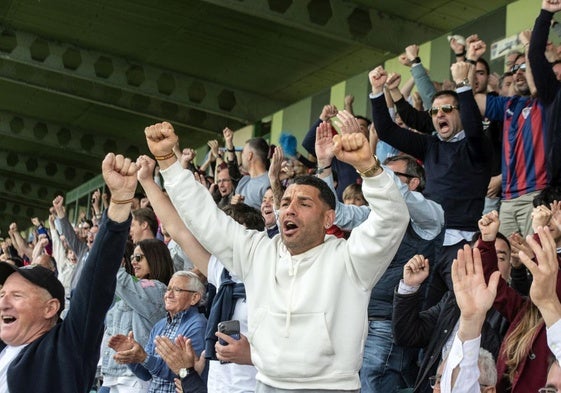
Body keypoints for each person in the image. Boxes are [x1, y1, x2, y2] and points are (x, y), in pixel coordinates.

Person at [144, 121, 409, 391]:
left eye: (304, 203)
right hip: (266, 384)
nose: (289, 210)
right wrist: (168, 163)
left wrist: (369, 168)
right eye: (285, 203)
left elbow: (393, 219)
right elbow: (204, 217)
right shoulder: (257, 252)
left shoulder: (352, 258)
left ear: (328, 218)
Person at [0, 153, 137, 393]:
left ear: (50, 308)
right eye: (2, 294)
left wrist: (119, 203)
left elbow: (96, 281)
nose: (3, 303)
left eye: (17, 296)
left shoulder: (65, 346)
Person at [109, 270, 207, 393]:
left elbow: (185, 373)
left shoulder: (198, 325)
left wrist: (144, 358)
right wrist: (131, 357)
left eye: (177, 290)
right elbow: (146, 375)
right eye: (168, 289)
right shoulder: (160, 325)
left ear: (194, 298)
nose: (168, 295)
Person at [99, 238, 174, 393]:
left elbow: (123, 283)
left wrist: (114, 262)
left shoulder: (158, 289)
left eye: (139, 257)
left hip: (136, 377)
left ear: (155, 258)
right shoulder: (132, 289)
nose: (133, 262)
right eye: (132, 257)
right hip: (114, 374)